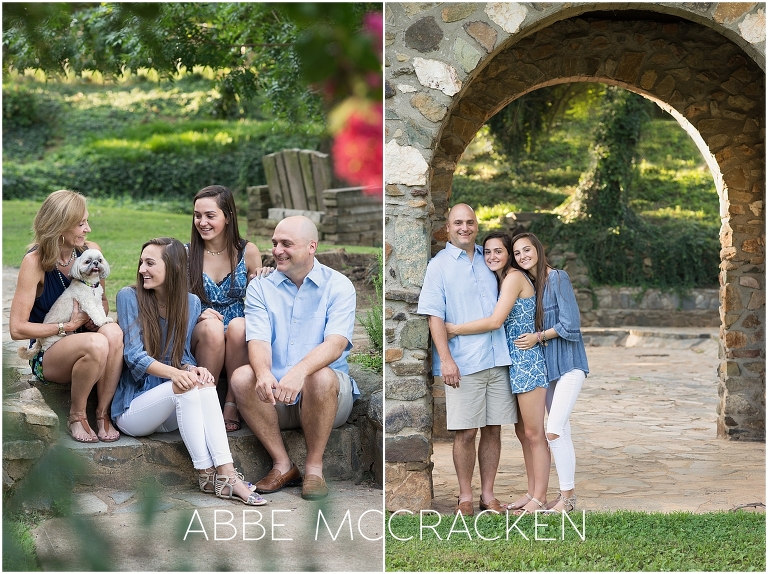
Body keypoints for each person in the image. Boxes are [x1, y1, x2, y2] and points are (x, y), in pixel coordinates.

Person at [112, 237, 264, 506]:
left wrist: (195, 370)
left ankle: (218, 475)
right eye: (141, 263)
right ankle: (214, 473)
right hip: (134, 410)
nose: (141, 270)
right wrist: (176, 375)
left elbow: (180, 356)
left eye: (150, 263)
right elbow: (134, 357)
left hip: (172, 410)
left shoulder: (191, 302)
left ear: (172, 268)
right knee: (185, 386)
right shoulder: (129, 296)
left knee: (202, 384)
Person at [229, 216, 359, 501]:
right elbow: (259, 339)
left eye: (287, 243)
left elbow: (336, 344)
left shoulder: (339, 286)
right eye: (275, 243)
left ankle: (314, 468)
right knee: (242, 377)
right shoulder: (261, 287)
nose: (277, 250)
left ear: (311, 247)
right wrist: (263, 373)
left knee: (320, 375)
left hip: (327, 399)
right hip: (275, 400)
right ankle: (283, 464)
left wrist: (299, 371)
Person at [417, 204, 516, 516]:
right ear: (447, 228)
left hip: (498, 358)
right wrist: (445, 360)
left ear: (476, 225)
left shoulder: (491, 260)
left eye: (469, 222)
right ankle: (464, 496)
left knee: (493, 429)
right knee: (465, 432)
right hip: (463, 362)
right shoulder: (439, 266)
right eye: (458, 223)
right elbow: (435, 317)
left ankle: (488, 495)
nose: (464, 227)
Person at [445, 231, 550, 515]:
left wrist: (454, 329)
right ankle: (532, 492)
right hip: (511, 362)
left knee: (534, 433)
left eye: (499, 252)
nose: (492, 257)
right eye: (488, 252)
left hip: (526, 360)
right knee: (522, 432)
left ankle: (539, 497)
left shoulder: (514, 277)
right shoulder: (502, 278)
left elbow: (495, 321)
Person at [9, 189, 122, 443]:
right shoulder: (35, 262)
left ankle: (103, 414)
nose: (88, 229)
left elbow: (101, 301)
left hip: (87, 339)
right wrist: (67, 326)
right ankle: (77, 415)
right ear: (60, 226)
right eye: (81, 223)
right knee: (97, 342)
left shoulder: (90, 252)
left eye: (87, 221)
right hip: (49, 353)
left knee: (113, 332)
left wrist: (94, 319)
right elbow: (17, 329)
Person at [510, 232, 589, 513]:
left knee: (553, 431)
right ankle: (562, 496)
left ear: (538, 249)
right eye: (517, 253)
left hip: (570, 366)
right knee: (561, 431)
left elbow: (571, 325)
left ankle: (568, 499)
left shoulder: (557, 278)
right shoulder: (533, 284)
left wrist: (537, 337)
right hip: (550, 371)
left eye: (527, 250)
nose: (522, 256)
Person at [187, 185, 268, 432]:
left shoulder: (248, 251)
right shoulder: (186, 253)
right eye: (197, 215)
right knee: (212, 327)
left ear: (228, 216)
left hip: (237, 331)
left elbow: (259, 300)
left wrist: (263, 280)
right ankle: (206, 398)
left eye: (210, 215)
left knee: (239, 325)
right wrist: (197, 312)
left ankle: (231, 402)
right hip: (202, 328)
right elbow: (173, 301)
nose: (202, 222)